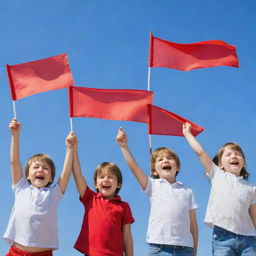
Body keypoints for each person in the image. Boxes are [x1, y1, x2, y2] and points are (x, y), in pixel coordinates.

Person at [116, 127, 198, 256]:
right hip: (159, 249)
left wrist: (195, 252)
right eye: (160, 160)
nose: (165, 160)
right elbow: (134, 167)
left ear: (178, 167)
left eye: (169, 158)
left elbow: (193, 225)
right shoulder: (153, 185)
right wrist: (124, 147)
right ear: (154, 171)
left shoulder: (187, 190)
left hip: (185, 249)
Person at [4, 118, 76, 256]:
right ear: (28, 175)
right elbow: (14, 162)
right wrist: (15, 135)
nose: (40, 170)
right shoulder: (21, 187)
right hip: (17, 252)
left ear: (51, 177)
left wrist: (69, 149)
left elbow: (66, 173)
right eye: (35, 167)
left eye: (45, 168)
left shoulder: (54, 193)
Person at [183, 122, 256, 255]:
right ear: (220, 164)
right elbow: (200, 153)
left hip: (249, 240)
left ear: (243, 162)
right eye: (228, 155)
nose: (234, 156)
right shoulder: (217, 175)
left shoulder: (251, 188)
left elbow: (254, 214)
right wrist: (188, 134)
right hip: (223, 238)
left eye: (237, 154)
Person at [72, 135, 134, 256]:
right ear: (96, 183)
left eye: (110, 177)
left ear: (118, 184)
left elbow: (127, 238)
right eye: (101, 177)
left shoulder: (124, 207)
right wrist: (73, 149)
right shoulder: (90, 199)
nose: (105, 180)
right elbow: (78, 174)